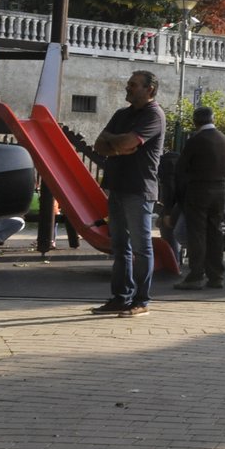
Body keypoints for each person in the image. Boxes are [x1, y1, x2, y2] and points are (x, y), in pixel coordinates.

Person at [90, 70, 166, 318]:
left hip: (139, 190)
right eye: (128, 84)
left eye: (133, 85)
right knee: (120, 246)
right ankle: (120, 298)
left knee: (141, 246)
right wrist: (119, 144)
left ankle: (141, 300)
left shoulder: (154, 115)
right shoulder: (122, 114)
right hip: (117, 186)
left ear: (149, 90)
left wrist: (117, 143)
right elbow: (99, 144)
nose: (128, 88)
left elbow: (124, 143)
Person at [173, 106, 225, 292]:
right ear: (213, 119)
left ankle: (195, 275)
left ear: (195, 121)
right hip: (219, 190)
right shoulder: (223, 139)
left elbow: (181, 168)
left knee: (197, 233)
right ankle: (216, 276)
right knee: (215, 233)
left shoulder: (196, 140)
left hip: (199, 189)